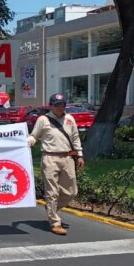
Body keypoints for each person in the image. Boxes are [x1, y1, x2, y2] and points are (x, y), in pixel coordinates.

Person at [27, 93, 85, 236]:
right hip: (50, 157)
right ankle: (55, 222)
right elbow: (34, 135)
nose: (60, 107)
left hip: (67, 158)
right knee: (52, 192)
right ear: (51, 105)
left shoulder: (70, 119)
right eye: (57, 105)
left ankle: (51, 208)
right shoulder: (43, 120)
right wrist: (28, 143)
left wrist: (80, 155)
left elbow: (75, 138)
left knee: (72, 191)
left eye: (63, 104)